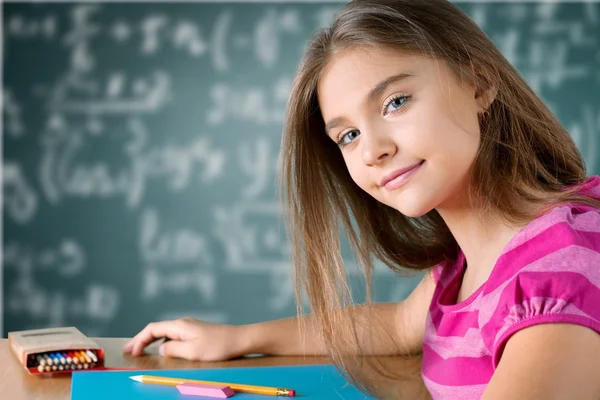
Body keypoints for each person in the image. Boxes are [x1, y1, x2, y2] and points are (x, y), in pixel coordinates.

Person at [124, 0, 600, 398]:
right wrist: (238, 338)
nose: (373, 150)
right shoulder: (478, 262)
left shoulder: (554, 277)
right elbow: (394, 326)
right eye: (348, 135)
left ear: (479, 83)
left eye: (396, 102)